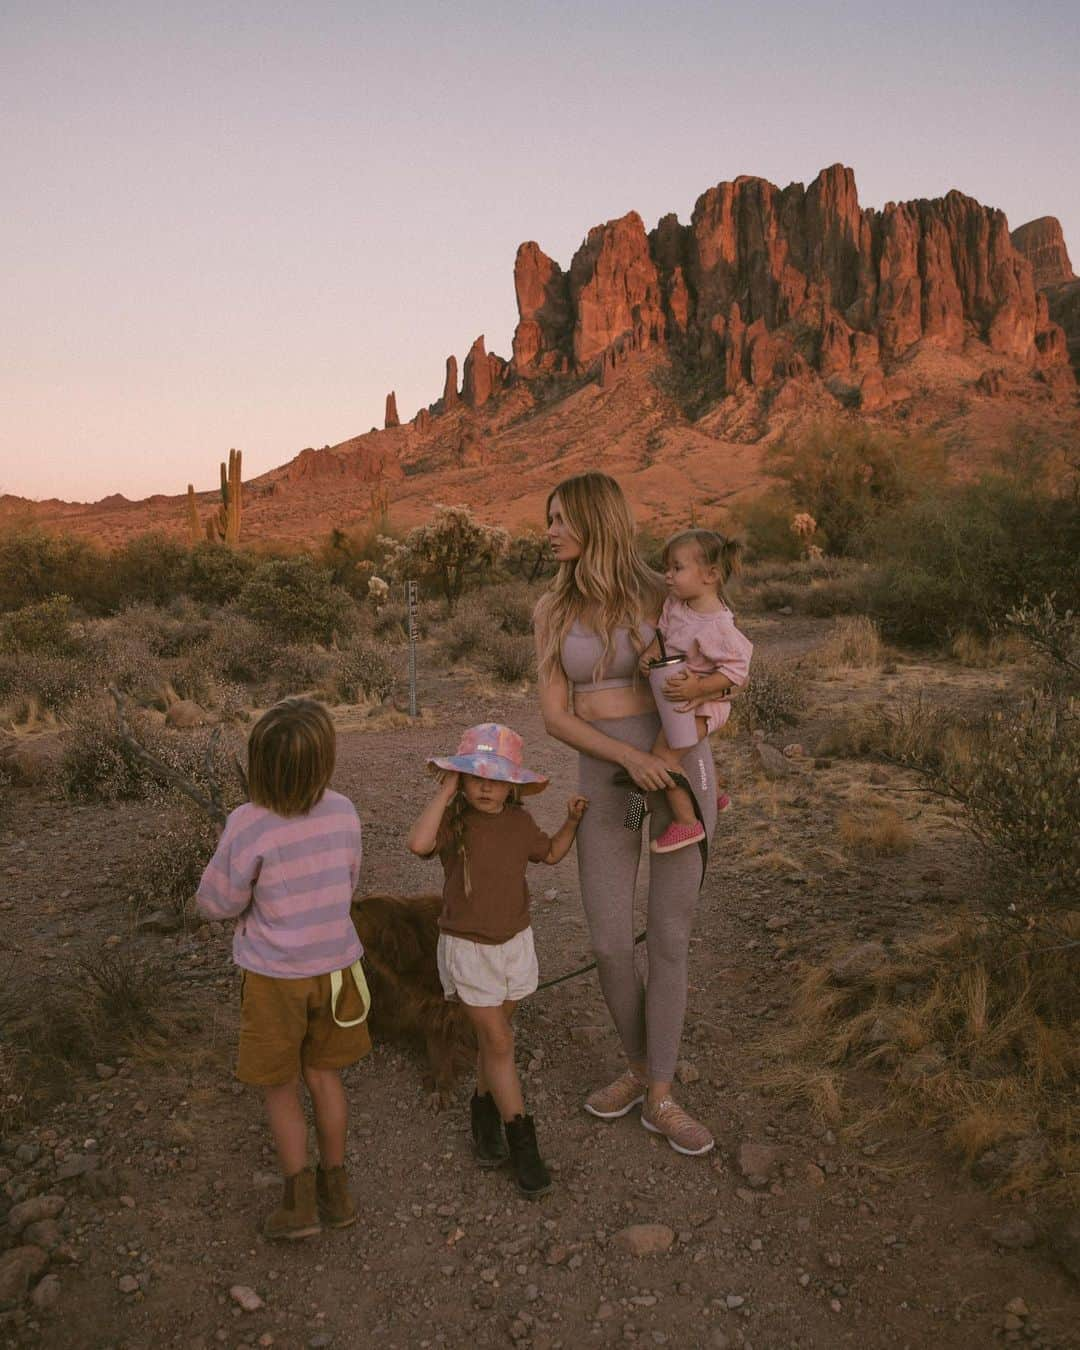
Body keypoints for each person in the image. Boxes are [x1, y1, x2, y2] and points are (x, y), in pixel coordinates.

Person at [535, 473, 734, 1156]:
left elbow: (701, 681)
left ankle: (661, 1094)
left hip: (679, 769)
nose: (551, 531)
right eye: (549, 519)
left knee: (670, 940)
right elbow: (555, 715)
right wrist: (627, 761)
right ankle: (638, 1064)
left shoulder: (664, 593)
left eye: (562, 519)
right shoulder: (551, 612)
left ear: (597, 521)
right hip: (607, 775)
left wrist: (659, 759)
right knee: (609, 941)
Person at [196, 698, 369, 1240]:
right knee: (325, 1076)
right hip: (337, 968)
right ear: (325, 762)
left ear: (258, 763)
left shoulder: (247, 824)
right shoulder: (343, 810)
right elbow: (349, 877)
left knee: (279, 1084)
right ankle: (335, 1189)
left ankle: (298, 1202)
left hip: (274, 978)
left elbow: (217, 902)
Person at [406, 723, 587, 1198]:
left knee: (493, 1044)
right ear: (462, 780)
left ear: (514, 785)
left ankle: (482, 1117)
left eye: (496, 777)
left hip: (514, 945)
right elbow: (418, 845)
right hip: (468, 950)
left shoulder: (519, 824)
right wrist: (446, 791)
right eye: (474, 776)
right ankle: (522, 1142)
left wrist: (571, 822)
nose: (485, 786)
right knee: (501, 1043)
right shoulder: (455, 823)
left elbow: (549, 854)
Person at [637, 528, 753, 854]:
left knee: (664, 754)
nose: (668, 576)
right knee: (687, 747)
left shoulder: (716, 626)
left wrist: (698, 688)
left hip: (703, 704)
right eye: (667, 568)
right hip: (680, 698)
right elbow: (663, 635)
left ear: (710, 575)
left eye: (677, 568)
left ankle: (687, 822)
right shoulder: (677, 604)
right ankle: (715, 793)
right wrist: (649, 655)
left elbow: (735, 671)